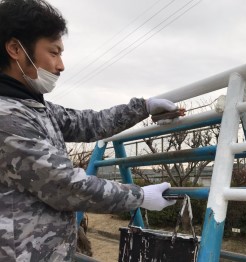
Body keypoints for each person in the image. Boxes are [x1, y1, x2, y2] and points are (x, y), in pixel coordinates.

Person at [0, 0, 178, 261]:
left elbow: (88, 122)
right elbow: (66, 186)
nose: (60, 65)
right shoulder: (8, 119)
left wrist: (144, 107)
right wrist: (140, 195)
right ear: (16, 49)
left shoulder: (34, 107)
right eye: (53, 52)